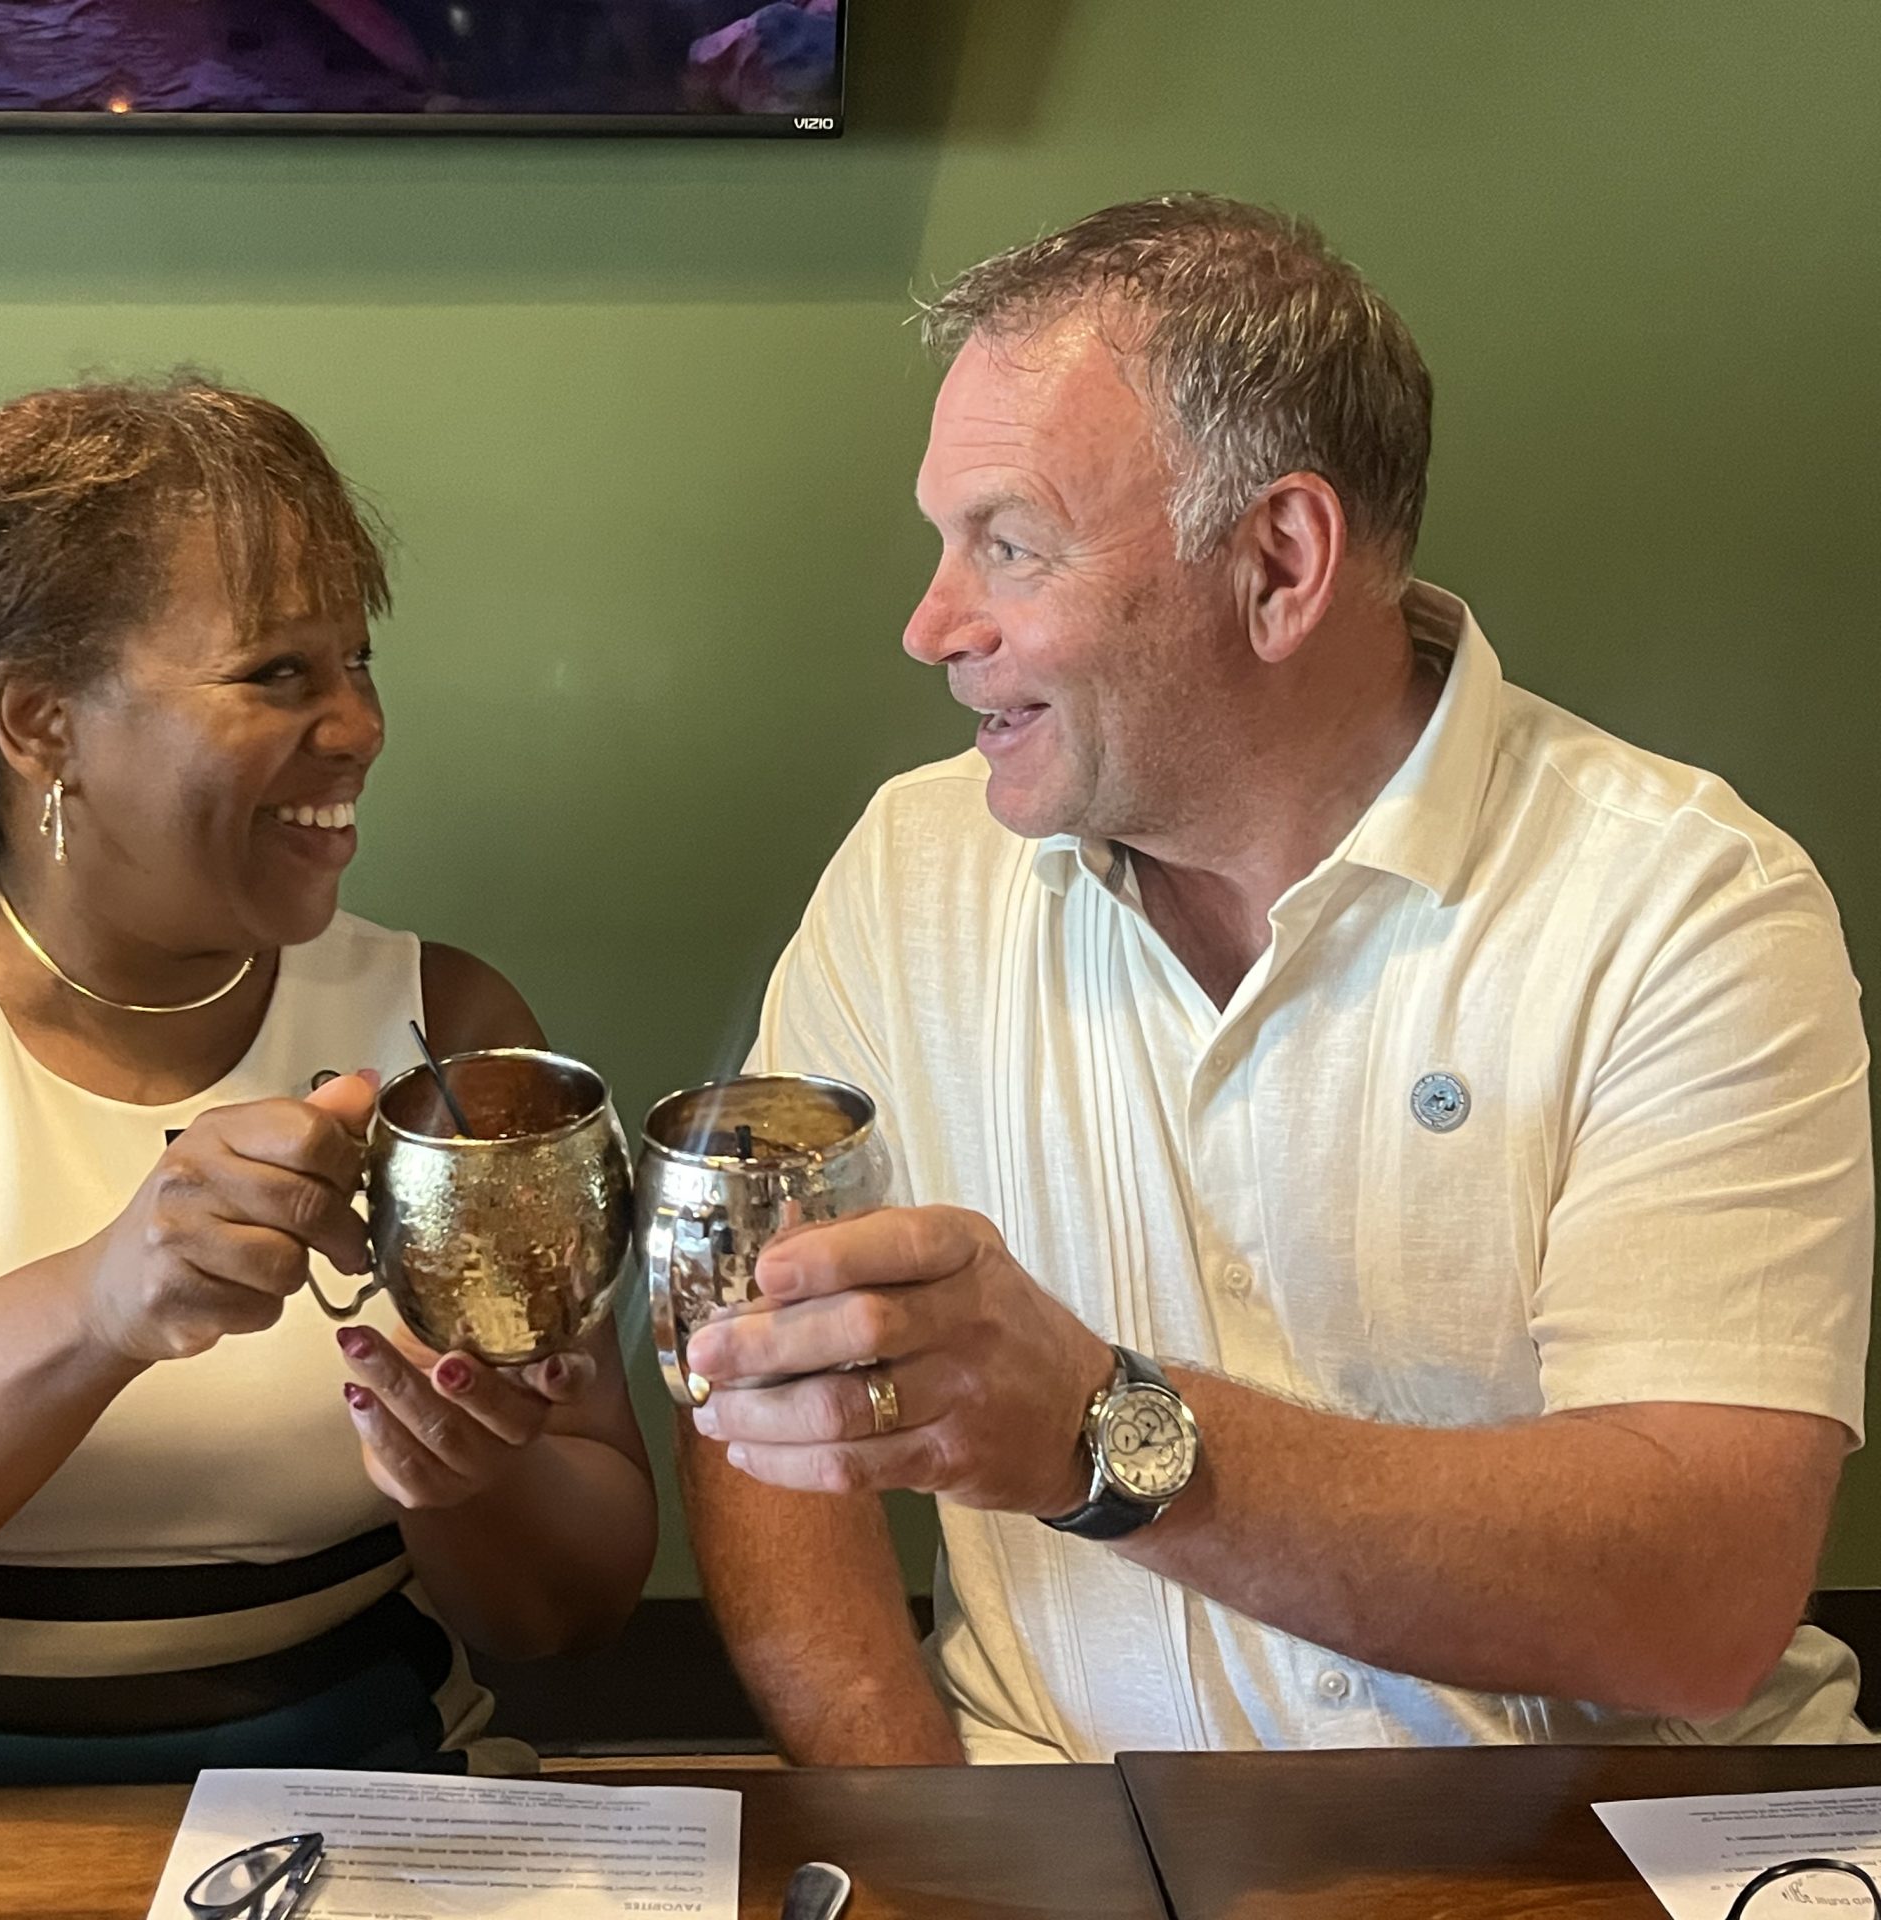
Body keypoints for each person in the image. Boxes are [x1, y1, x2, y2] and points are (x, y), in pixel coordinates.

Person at [677, 195, 1874, 1763]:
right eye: (943, 538)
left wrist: (1104, 1434)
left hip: (1588, 1846)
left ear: (1279, 561)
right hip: (1059, 1834)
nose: (931, 624)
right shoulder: (911, 873)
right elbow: (761, 1398)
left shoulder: (1685, 905)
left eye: (1010, 545)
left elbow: (1706, 1595)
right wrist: (922, 1839)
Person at [0, 377, 656, 1789]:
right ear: (44, 728)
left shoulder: (444, 1026)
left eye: (358, 663)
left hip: (354, 1791)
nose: (359, 727)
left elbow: (566, 1616)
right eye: (279, 673)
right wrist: (95, 1307)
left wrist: (468, 1474)